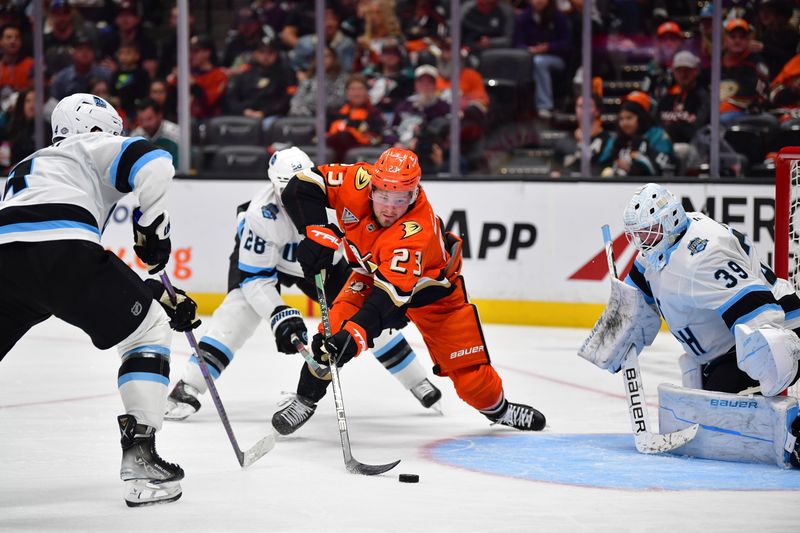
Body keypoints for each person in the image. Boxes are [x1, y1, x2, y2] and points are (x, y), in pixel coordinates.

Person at [0, 93, 200, 505]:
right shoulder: (89, 145)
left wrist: (154, 293)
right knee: (148, 333)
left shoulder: (32, 165)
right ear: (94, 128)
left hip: (7, 258)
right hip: (62, 250)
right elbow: (157, 161)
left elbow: (59, 277)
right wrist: (152, 228)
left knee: (145, 314)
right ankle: (142, 456)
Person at [274, 146, 546, 434]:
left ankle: (500, 410)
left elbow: (387, 300)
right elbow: (302, 185)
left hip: (435, 297)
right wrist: (316, 231)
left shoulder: (416, 231)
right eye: (383, 196)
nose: (390, 207)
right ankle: (305, 400)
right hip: (370, 277)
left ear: (414, 194)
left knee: (472, 381)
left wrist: (354, 337)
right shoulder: (357, 179)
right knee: (329, 339)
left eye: (400, 198)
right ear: (372, 187)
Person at [165, 147, 442, 424]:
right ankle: (189, 385)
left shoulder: (334, 203)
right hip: (265, 268)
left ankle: (416, 379)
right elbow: (255, 279)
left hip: (322, 266)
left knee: (363, 316)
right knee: (236, 314)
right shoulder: (260, 216)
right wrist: (279, 316)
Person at [579, 183, 800, 467]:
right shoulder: (655, 254)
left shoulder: (703, 257)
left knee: (722, 411)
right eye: (638, 234)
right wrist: (616, 337)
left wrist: (771, 360)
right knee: (702, 412)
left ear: (670, 220)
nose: (642, 241)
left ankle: (792, 432)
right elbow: (635, 303)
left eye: (648, 232)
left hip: (779, 329)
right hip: (726, 348)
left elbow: (757, 307)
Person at [598, 91, 676, 177]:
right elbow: (601, 164)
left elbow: (666, 167)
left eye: (629, 118)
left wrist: (637, 162)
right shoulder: (617, 139)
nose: (624, 123)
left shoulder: (658, 135)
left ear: (642, 115)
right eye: (621, 119)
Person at [130, 98, 180, 169]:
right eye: (141, 120)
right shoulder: (135, 136)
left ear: (159, 116)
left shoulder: (175, 134)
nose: (145, 124)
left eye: (149, 119)